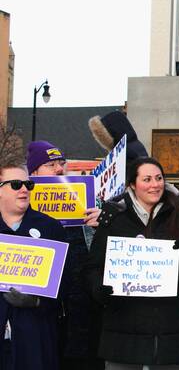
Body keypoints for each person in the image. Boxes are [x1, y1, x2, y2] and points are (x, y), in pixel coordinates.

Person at [84, 157, 179, 369]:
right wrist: (99, 289)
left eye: (159, 178)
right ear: (133, 184)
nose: (155, 184)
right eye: (147, 179)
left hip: (168, 325)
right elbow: (93, 267)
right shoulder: (114, 216)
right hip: (123, 324)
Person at [26, 140, 102, 370]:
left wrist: (102, 224)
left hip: (83, 306)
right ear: (34, 173)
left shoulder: (86, 202)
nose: (59, 169)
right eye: (50, 165)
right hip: (44, 308)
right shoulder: (21, 206)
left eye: (62, 163)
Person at [0, 164, 67, 370]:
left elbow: (65, 285)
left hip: (35, 336)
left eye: (28, 184)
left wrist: (37, 301)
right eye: (16, 184)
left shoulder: (50, 227)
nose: (24, 189)